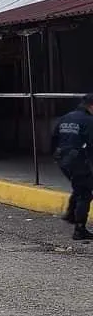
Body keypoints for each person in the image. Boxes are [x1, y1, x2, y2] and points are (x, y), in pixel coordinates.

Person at [52, 93, 93, 240]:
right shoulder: (89, 121)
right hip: (78, 161)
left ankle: (70, 214)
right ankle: (79, 229)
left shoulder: (67, 117)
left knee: (79, 185)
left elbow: (54, 137)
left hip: (62, 159)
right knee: (85, 192)